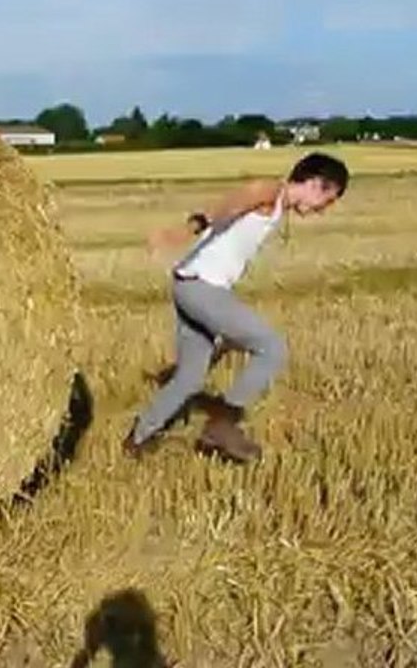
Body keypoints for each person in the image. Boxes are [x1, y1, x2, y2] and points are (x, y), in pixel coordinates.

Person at [123, 151, 350, 463]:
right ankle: (222, 425)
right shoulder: (271, 192)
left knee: (189, 377)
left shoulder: (277, 207)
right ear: (316, 184)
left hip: (188, 283)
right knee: (272, 348)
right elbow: (238, 198)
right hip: (202, 288)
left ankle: (138, 438)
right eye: (329, 199)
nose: (324, 210)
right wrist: (186, 230)